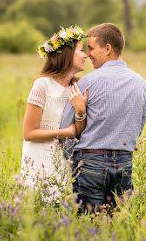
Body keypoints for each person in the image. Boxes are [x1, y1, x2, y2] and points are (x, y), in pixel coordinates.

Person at [59, 23, 146, 212]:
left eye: (91, 48)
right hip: (125, 162)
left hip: (90, 163)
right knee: (119, 222)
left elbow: (64, 130)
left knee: (88, 224)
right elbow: (138, 129)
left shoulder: (87, 83)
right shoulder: (142, 84)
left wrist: (73, 162)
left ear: (107, 48)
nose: (88, 54)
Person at [20, 26, 88, 199]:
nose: (86, 55)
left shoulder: (77, 86)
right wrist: (66, 133)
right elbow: (29, 133)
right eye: (81, 50)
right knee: (38, 208)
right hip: (39, 158)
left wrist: (80, 110)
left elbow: (78, 131)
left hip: (64, 160)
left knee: (60, 210)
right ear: (67, 54)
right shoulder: (42, 85)